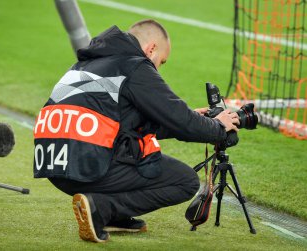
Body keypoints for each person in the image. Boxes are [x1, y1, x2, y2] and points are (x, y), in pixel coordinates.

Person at [33, 19, 239, 243]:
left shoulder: (86, 65)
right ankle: (101, 208)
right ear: (151, 49)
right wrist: (219, 127)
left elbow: (130, 124)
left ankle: (114, 216)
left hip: (55, 168)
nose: (158, 68)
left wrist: (193, 118)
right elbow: (180, 120)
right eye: (161, 61)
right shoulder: (135, 66)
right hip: (87, 167)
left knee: (133, 150)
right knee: (184, 181)